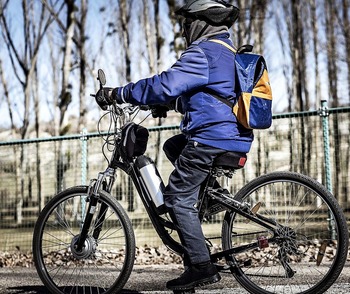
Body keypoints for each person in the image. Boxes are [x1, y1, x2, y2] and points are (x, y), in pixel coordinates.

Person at [96, 0, 254, 291]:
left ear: (200, 23)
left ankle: (201, 266)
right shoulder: (228, 54)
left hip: (210, 138)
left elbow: (164, 83)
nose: (183, 30)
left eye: (186, 23)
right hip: (234, 136)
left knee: (178, 197)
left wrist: (118, 93)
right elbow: (208, 95)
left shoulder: (203, 52)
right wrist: (167, 105)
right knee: (173, 145)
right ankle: (211, 196)